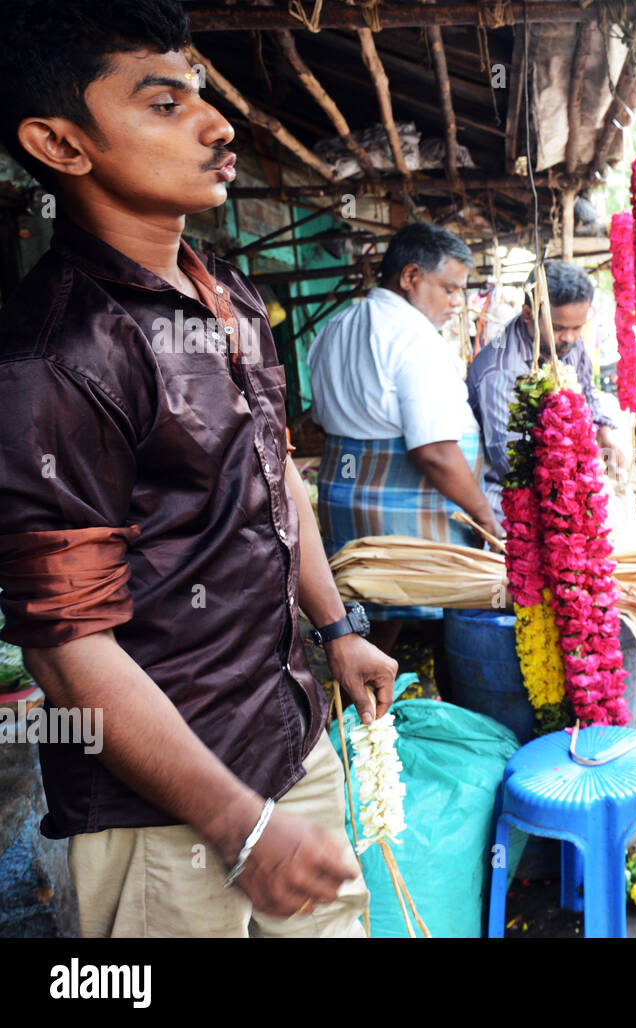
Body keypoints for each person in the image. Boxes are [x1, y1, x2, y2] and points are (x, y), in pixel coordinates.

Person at [0, 0, 398, 937]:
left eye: (201, 95)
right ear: (61, 145)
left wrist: (337, 626)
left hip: (288, 737)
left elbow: (279, 477)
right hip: (163, 812)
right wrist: (239, 828)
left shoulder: (228, 297)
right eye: (163, 103)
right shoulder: (55, 357)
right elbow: (64, 648)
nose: (216, 125)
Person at [308, 221, 501, 654]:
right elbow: (433, 451)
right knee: (438, 621)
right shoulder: (414, 338)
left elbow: (321, 420)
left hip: (348, 499)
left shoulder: (334, 328)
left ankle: (373, 704)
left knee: (373, 620)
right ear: (411, 276)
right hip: (403, 511)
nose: (457, 302)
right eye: (449, 288)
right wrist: (485, 518)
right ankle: (411, 703)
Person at [466, 260, 628, 527]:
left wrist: (603, 432)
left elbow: (587, 392)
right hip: (509, 506)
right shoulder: (500, 368)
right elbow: (509, 458)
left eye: (578, 327)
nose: (569, 338)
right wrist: (575, 474)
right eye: (559, 328)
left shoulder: (570, 346)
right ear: (528, 313)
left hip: (567, 494)